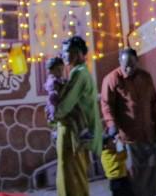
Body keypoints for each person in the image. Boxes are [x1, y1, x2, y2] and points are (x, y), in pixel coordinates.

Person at [99, 48, 156, 196]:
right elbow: (106, 106)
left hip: (147, 134)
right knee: (134, 177)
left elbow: (154, 103)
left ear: (137, 62)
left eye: (132, 65)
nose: (129, 69)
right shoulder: (112, 79)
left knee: (152, 173)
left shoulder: (145, 77)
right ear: (119, 62)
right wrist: (112, 126)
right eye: (125, 66)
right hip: (128, 138)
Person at [53, 36, 99, 196]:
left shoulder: (78, 74)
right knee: (73, 174)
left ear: (78, 53)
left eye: (67, 51)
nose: (63, 55)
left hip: (73, 132)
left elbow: (65, 105)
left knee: (71, 176)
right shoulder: (81, 72)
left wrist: (53, 116)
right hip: (75, 130)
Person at [100, 132, 133, 196]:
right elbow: (123, 156)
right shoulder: (108, 155)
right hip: (119, 182)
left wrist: (118, 140)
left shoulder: (107, 153)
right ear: (105, 146)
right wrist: (123, 144)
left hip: (117, 182)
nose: (113, 142)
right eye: (111, 142)